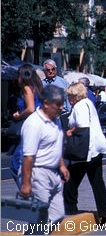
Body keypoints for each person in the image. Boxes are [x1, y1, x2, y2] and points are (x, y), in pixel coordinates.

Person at [63, 83, 106, 224]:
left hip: (87, 150)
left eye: (69, 95)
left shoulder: (79, 106)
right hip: (94, 149)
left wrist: (70, 131)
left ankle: (70, 207)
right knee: (94, 181)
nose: (68, 98)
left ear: (75, 95)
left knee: (72, 177)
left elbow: (82, 124)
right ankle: (105, 212)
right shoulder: (88, 103)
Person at [19, 85, 70, 226]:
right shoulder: (34, 124)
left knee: (57, 215)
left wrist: (62, 166)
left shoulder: (56, 119)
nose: (61, 108)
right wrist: (26, 183)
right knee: (40, 218)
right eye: (58, 105)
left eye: (62, 104)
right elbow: (28, 156)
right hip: (38, 173)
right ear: (46, 103)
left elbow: (55, 145)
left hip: (53, 173)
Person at [10, 64, 44, 186]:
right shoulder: (37, 87)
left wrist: (18, 115)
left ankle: (26, 190)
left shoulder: (26, 88)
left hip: (30, 126)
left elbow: (30, 108)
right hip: (39, 125)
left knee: (16, 163)